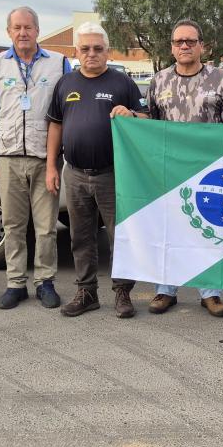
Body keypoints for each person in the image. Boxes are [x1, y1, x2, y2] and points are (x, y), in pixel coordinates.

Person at [45, 21, 144, 318]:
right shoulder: (66, 84)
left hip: (112, 173)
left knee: (119, 236)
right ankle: (86, 292)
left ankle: (123, 292)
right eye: (85, 48)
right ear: (76, 51)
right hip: (74, 173)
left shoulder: (122, 83)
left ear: (107, 51)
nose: (91, 54)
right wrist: (51, 165)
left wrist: (132, 113)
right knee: (81, 236)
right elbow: (56, 125)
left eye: (98, 49)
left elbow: (145, 117)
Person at [0, 7, 71, 310]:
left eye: (28, 27)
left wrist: (60, 157)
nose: (22, 33)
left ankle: (45, 281)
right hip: (8, 156)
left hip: (46, 157)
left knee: (45, 227)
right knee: (14, 225)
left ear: (38, 30)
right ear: (8, 32)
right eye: (16, 28)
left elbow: (69, 111)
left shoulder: (59, 63)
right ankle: (16, 283)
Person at [143, 19, 223, 318]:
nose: (184, 46)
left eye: (190, 41)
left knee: (206, 228)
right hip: (168, 169)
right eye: (179, 41)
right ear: (171, 47)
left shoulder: (220, 79)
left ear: (201, 46)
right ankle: (165, 289)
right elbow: (149, 124)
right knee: (168, 229)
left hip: (208, 170)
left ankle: (210, 292)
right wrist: (127, 115)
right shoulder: (159, 81)